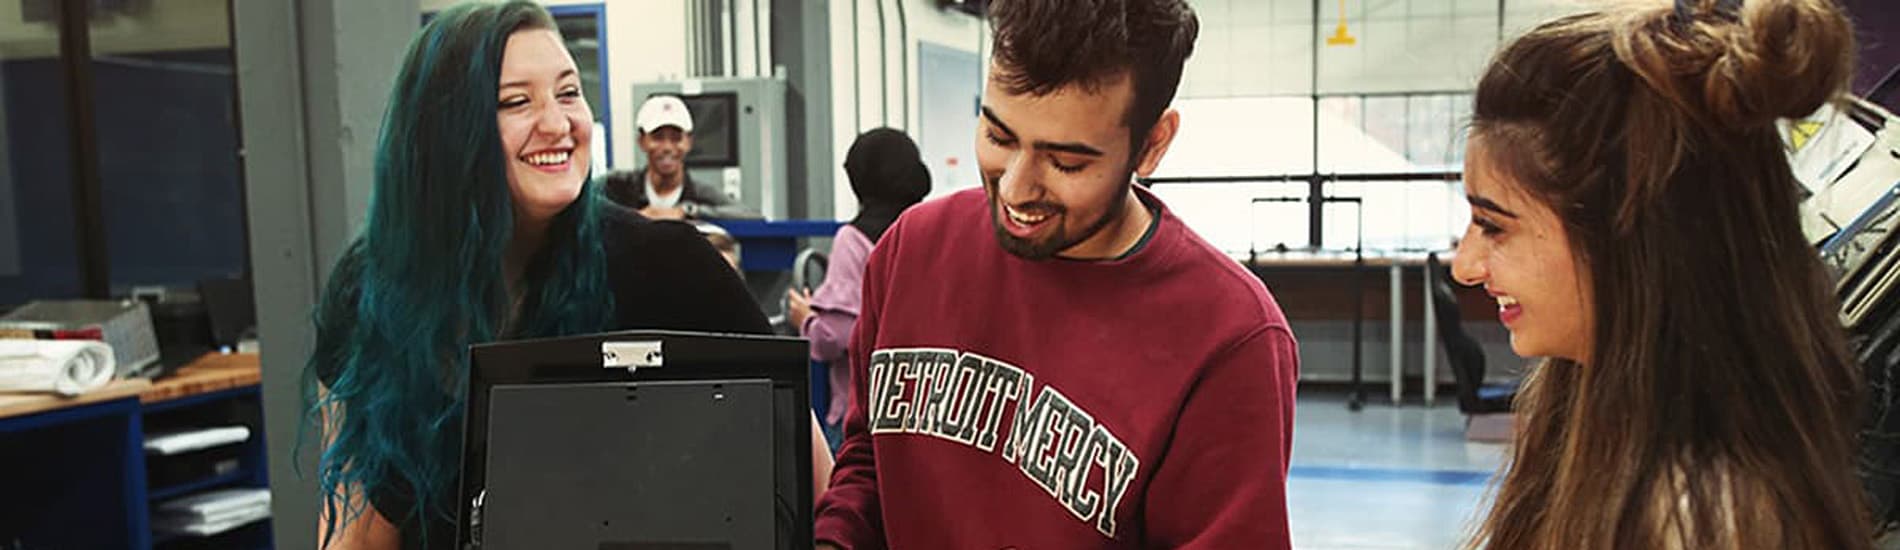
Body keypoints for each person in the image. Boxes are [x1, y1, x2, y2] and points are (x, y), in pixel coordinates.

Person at [302, 4, 829, 549]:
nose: (558, 124)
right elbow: (357, 531)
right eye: (516, 101)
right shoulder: (371, 291)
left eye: (569, 92)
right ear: (444, 128)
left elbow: (818, 487)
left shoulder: (669, 267)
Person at [814, 0, 1299, 547]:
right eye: (999, 138)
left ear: (1152, 145)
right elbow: (869, 464)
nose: (1017, 190)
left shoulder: (1230, 338)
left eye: (1067, 163)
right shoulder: (910, 252)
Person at [1453, 0, 1870, 547]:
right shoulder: (1587, 424)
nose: (1465, 265)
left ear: (1627, 239)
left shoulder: (1705, 521)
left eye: (1493, 225)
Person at [786, 127, 933, 438]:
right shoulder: (930, 230)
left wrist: (805, 320)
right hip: (925, 411)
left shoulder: (853, 241)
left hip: (864, 415)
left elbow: (834, 338)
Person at [600, 95, 760, 220]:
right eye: (658, 137)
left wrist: (687, 211)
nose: (668, 148)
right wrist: (631, 217)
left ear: (688, 142)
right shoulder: (617, 185)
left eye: (676, 138)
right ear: (642, 141)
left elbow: (751, 215)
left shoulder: (699, 194)